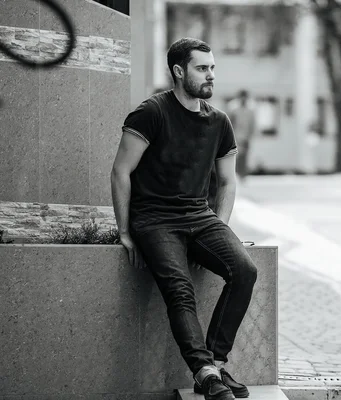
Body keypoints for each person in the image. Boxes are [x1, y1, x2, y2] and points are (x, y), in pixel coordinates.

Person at [110, 38, 257, 400]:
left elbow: (227, 182)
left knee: (245, 271)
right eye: (202, 68)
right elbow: (120, 171)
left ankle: (215, 365)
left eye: (212, 68)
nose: (211, 75)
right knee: (180, 290)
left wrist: (219, 228)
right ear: (178, 71)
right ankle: (205, 373)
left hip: (200, 217)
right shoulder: (152, 113)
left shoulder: (219, 121)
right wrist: (125, 231)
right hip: (154, 220)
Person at [228, 90, 256, 180]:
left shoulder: (250, 109)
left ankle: (243, 175)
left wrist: (250, 135)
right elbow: (230, 122)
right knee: (235, 155)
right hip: (235, 135)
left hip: (245, 136)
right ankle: (235, 174)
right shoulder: (233, 108)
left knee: (244, 156)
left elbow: (252, 124)